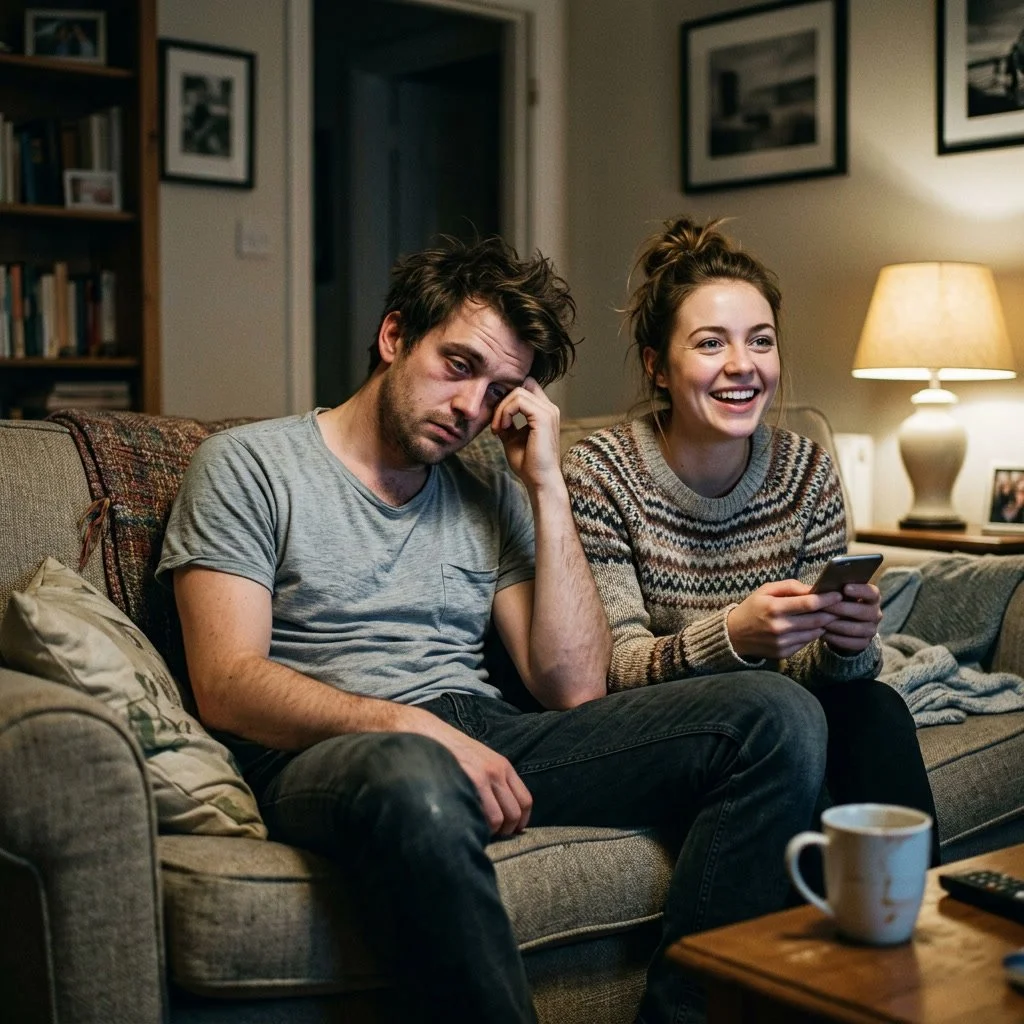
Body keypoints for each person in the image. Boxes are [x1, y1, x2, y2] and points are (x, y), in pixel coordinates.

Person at [157, 234, 829, 1024]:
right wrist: (412, 728)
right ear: (394, 336)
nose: (471, 409)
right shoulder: (250, 466)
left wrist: (543, 485)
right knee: (415, 775)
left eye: (500, 388)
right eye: (459, 366)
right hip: (335, 753)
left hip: (489, 734)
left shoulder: (489, 482)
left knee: (777, 715)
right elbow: (227, 684)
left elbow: (573, 685)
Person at [562, 216, 940, 868]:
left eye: (760, 342)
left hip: (785, 708)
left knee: (873, 708)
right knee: (782, 715)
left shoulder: (805, 472)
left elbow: (822, 675)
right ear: (657, 366)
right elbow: (612, 671)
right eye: (711, 344)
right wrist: (733, 636)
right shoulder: (601, 474)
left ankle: (913, 929)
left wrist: (848, 643)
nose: (743, 366)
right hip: (668, 727)